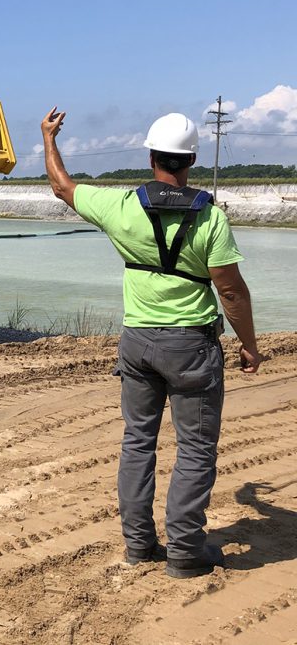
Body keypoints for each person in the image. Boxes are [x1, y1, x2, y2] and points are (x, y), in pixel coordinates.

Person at [40, 108, 262, 579]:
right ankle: (184, 553)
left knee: (138, 442)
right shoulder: (211, 219)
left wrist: (48, 138)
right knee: (196, 449)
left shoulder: (121, 207)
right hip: (192, 348)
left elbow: (61, 186)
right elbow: (231, 292)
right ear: (192, 160)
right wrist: (249, 345)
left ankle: (139, 546)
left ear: (150, 157)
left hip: (137, 343)